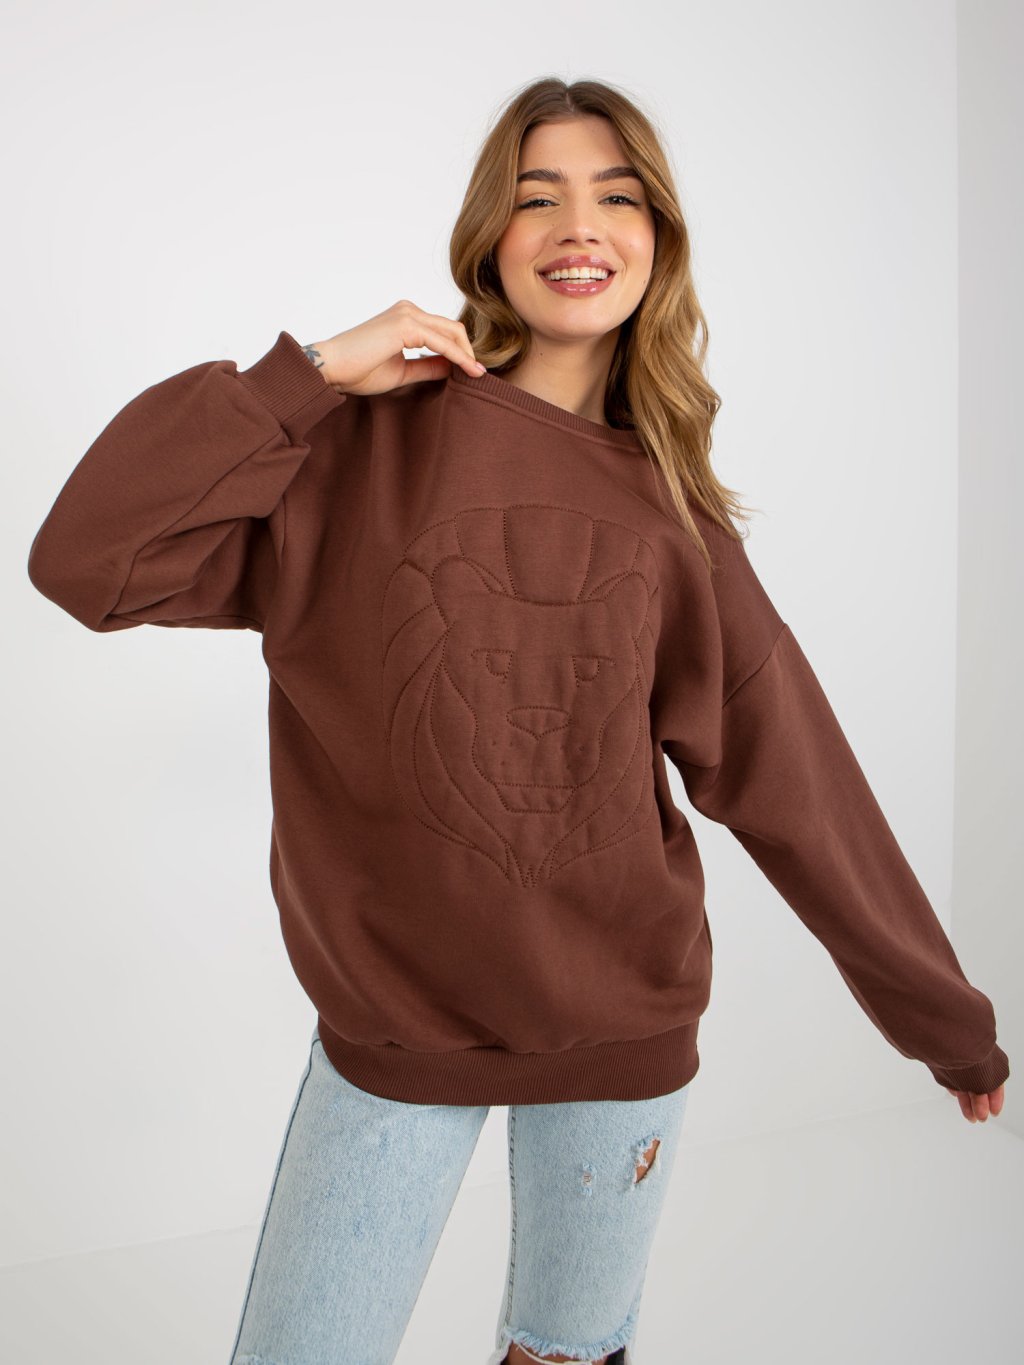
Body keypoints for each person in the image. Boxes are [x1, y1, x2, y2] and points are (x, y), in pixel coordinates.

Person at [26, 76, 1008, 1365]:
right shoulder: (353, 451)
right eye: (539, 197)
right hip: (393, 1036)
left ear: (658, 240)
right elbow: (86, 562)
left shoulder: (676, 522)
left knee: (566, 1355)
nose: (579, 226)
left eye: (617, 197)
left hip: (619, 1031)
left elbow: (798, 783)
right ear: (490, 235)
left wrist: (946, 1025)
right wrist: (306, 376)